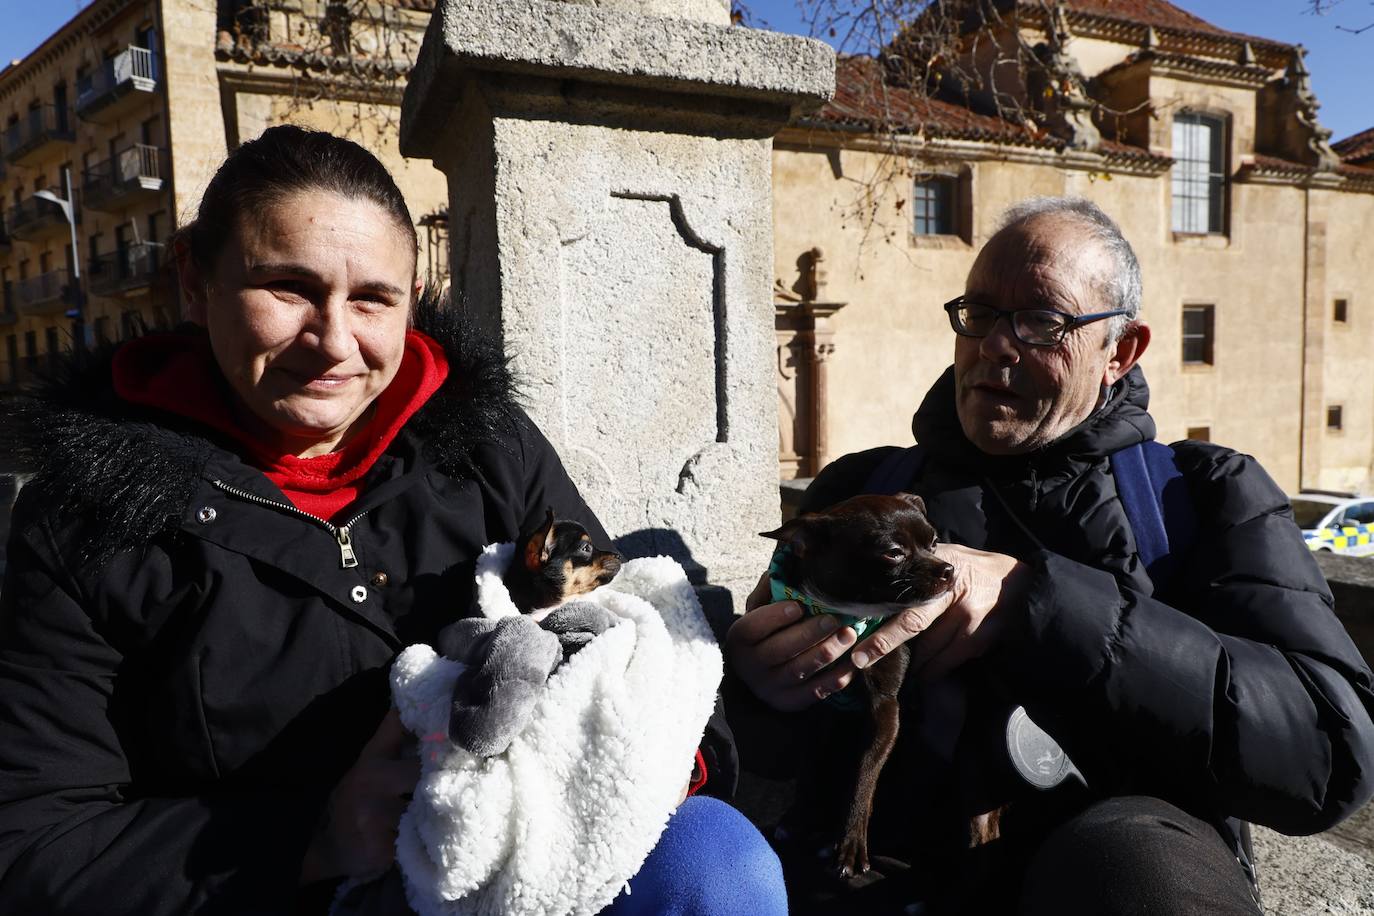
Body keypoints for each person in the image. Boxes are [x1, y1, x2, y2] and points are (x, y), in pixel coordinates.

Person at [0, 125, 783, 915]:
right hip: (284, 898)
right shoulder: (82, 518)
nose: (334, 341)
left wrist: (651, 757)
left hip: (528, 863)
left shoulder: (487, 443)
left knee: (714, 861)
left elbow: (628, 627)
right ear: (195, 281)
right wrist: (314, 837)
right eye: (288, 288)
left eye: (372, 298)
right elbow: (35, 843)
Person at [727, 196, 1374, 915]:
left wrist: (1037, 605)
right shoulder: (863, 492)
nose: (996, 346)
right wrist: (759, 690)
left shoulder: (1204, 495)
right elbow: (766, 752)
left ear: (1120, 352)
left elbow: (1330, 752)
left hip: (1119, 869)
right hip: (875, 874)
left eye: (1043, 321)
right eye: (979, 314)